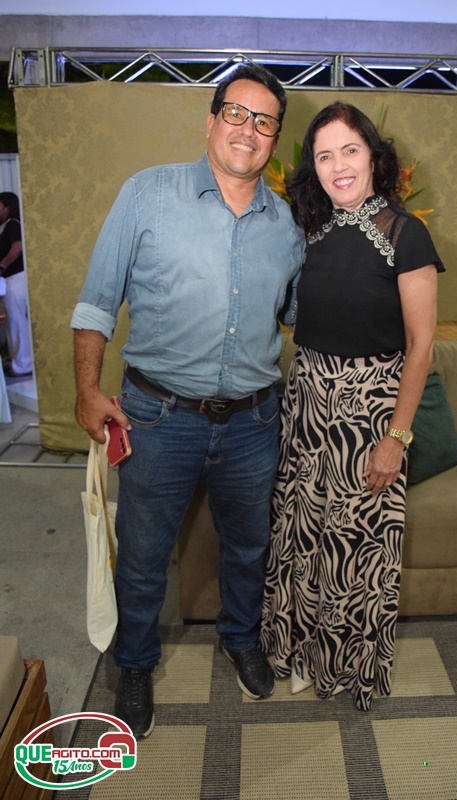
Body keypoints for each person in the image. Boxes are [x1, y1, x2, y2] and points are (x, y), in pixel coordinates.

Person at [71, 63, 305, 738]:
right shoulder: (147, 194)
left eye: (264, 121)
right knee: (143, 556)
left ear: (274, 138)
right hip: (157, 418)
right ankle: (135, 664)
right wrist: (86, 390)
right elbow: (96, 301)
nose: (248, 129)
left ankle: (241, 638)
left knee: (249, 547)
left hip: (253, 423)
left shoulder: (289, 225)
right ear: (210, 121)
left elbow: (298, 317)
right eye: (236, 113)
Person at [260, 101, 444, 711]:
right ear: (312, 167)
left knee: (354, 547)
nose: (338, 166)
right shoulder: (308, 231)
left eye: (350, 150)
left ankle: (344, 668)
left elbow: (421, 346)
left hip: (370, 411)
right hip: (306, 401)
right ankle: (296, 653)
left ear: (373, 157)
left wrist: (397, 437)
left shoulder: (404, 233)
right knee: (300, 533)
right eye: (324, 155)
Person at [0, 192, 33, 378]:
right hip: (9, 279)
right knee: (13, 321)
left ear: (7, 207)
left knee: (17, 321)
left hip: (16, 278)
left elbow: (17, 247)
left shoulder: (12, 224)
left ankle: (23, 364)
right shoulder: (4, 226)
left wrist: (2, 265)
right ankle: (17, 362)